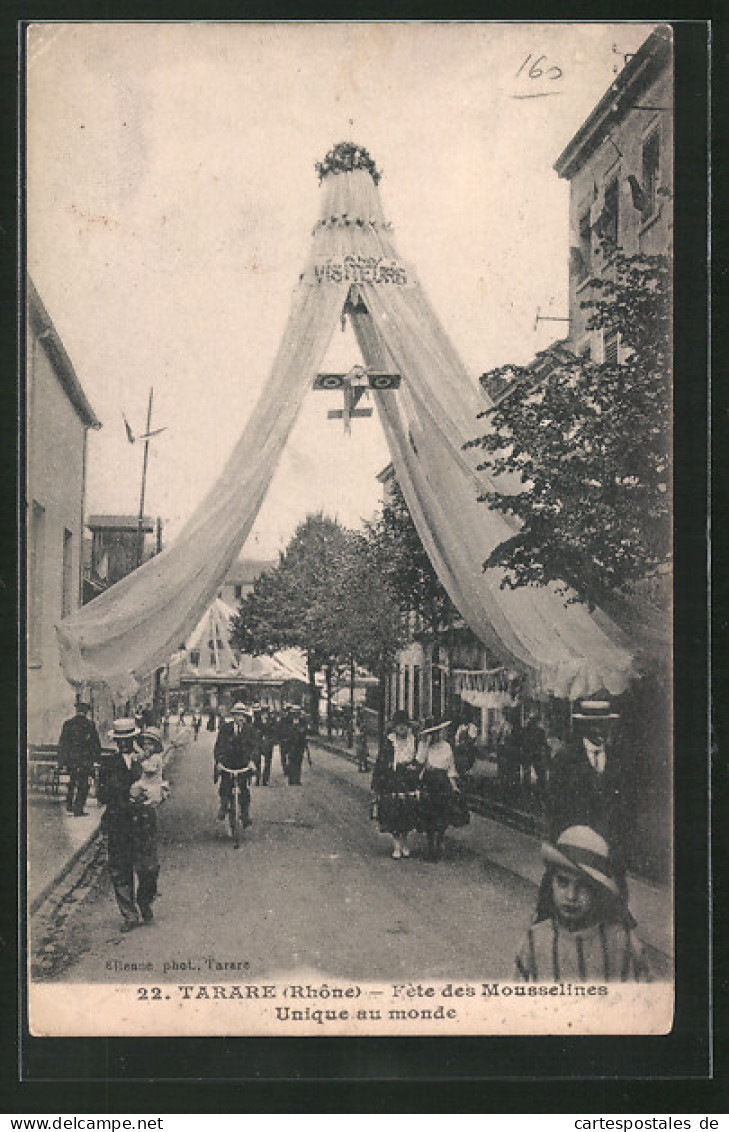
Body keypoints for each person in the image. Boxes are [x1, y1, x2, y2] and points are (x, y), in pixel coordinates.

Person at [514, 825, 651, 982]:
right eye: (563, 882)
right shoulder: (535, 940)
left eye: (584, 886)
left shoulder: (621, 944)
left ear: (598, 891)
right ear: (550, 882)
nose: (571, 896)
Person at [97, 718, 159, 931]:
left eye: (128, 739)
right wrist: (126, 793)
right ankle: (129, 915)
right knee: (120, 869)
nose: (124, 744)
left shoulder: (144, 762)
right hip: (118, 823)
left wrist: (160, 792)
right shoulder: (108, 764)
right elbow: (102, 795)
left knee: (149, 869)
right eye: (120, 740)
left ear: (134, 738)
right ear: (115, 741)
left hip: (143, 822)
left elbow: (156, 783)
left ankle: (144, 901)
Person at [371, 710, 421, 860]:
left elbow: (419, 759)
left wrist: (414, 767)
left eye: (404, 726)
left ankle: (405, 843)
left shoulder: (414, 741)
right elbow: (381, 763)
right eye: (399, 726)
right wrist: (379, 783)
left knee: (407, 812)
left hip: (409, 779)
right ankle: (396, 846)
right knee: (394, 812)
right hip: (392, 779)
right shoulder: (389, 742)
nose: (402, 729)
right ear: (394, 727)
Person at [417, 717, 467, 860]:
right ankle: (430, 844)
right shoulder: (424, 745)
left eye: (437, 733)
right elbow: (419, 762)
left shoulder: (446, 746)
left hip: (442, 783)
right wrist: (424, 744)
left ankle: (439, 841)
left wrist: (454, 786)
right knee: (429, 815)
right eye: (431, 733)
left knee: (442, 814)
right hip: (428, 781)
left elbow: (451, 768)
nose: (435, 736)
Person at [213, 703, 257, 827]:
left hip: (243, 764)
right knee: (225, 787)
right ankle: (223, 805)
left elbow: (255, 747)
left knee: (244, 790)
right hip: (228, 763)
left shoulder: (250, 730)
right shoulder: (225, 728)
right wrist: (219, 762)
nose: (240, 718)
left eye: (242, 715)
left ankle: (245, 813)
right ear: (233, 716)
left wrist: (252, 761)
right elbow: (219, 746)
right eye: (237, 715)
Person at [57, 700, 101, 817]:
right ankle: (78, 809)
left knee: (72, 781)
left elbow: (63, 744)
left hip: (71, 759)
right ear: (86, 712)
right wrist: (97, 758)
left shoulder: (68, 723)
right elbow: (95, 744)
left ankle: (69, 804)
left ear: (77, 710)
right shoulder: (90, 725)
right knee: (83, 784)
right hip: (85, 761)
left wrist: (61, 761)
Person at [286, 710, 311, 785]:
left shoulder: (302, 724)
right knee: (292, 763)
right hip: (292, 746)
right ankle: (291, 780)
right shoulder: (289, 723)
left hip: (299, 746)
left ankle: (296, 779)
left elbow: (305, 734)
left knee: (298, 763)